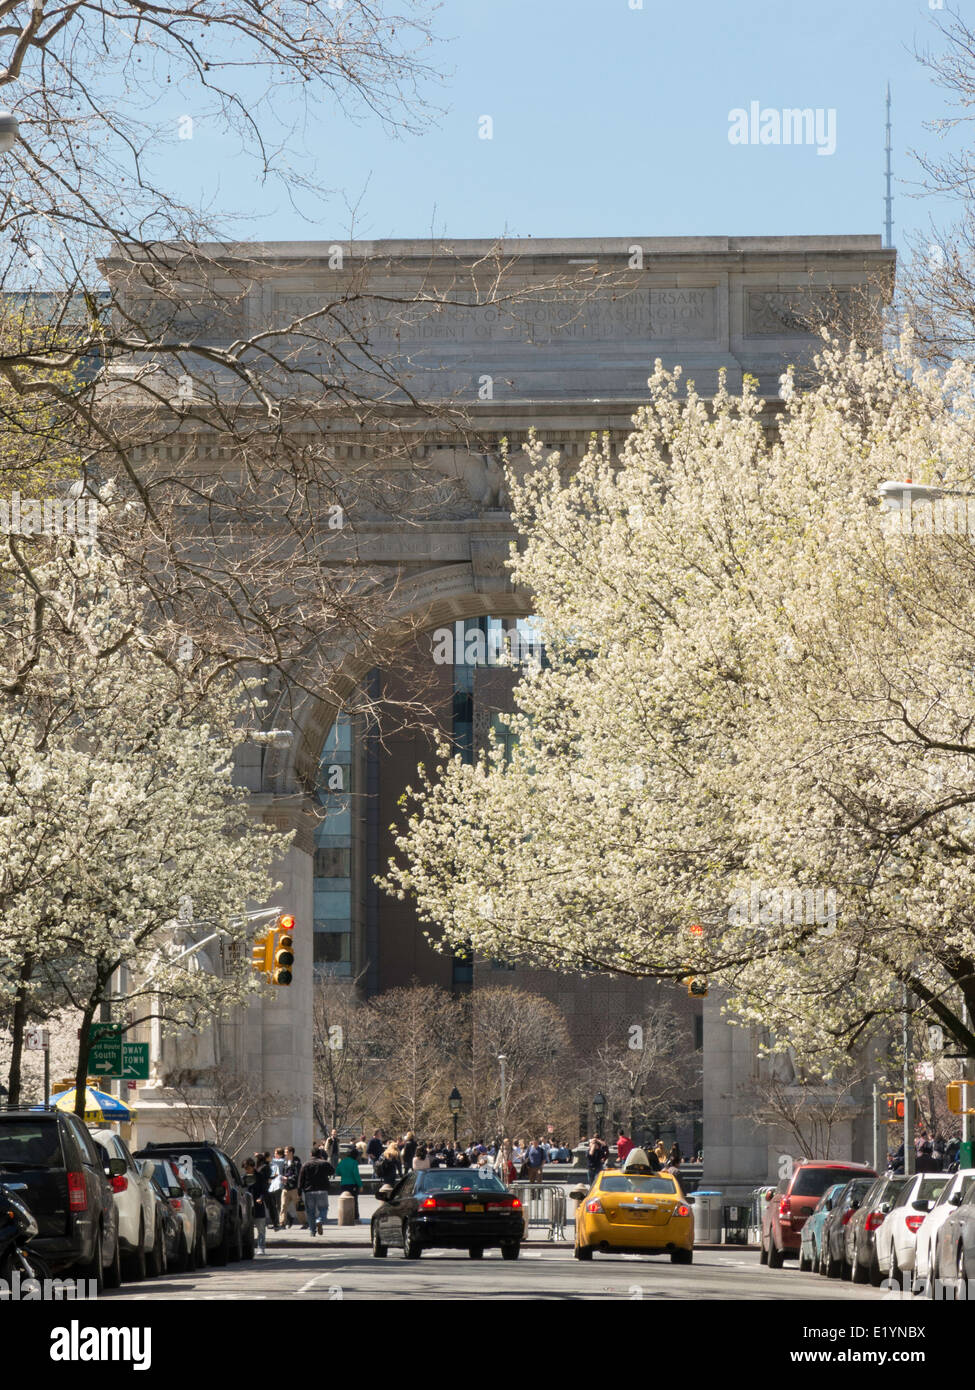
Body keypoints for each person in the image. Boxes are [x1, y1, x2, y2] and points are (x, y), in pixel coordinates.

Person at [298, 1146, 334, 1236]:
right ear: (320, 1154)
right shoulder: (324, 1163)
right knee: (324, 1208)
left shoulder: (306, 1165)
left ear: (311, 1154)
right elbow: (332, 1171)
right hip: (322, 1190)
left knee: (310, 1211)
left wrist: (299, 1193)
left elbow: (301, 1179)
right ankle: (320, 1220)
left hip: (309, 1191)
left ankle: (312, 1231)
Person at [242, 1157, 270, 1254]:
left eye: (248, 1168)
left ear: (253, 1167)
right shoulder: (244, 1178)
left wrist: (261, 1198)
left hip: (258, 1206)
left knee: (261, 1228)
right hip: (247, 1207)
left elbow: (264, 1190)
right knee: (247, 1228)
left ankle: (261, 1246)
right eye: (245, 1169)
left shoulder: (260, 1177)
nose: (247, 1170)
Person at [336, 1145, 363, 1220]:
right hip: (353, 1184)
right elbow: (356, 1175)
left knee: (344, 1200)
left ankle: (344, 1215)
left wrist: (344, 1174)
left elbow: (337, 1172)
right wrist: (360, 1185)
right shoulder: (354, 1162)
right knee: (354, 1201)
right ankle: (355, 1216)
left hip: (343, 1184)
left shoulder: (342, 1161)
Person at [279, 1146, 302, 1228]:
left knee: (298, 1207)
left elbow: (297, 1175)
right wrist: (282, 1178)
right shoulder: (285, 1162)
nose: (285, 1154)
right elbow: (283, 1173)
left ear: (291, 1153)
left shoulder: (296, 1163)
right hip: (286, 1188)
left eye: (286, 1152)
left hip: (294, 1188)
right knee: (283, 1206)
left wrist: (287, 1178)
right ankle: (282, 1223)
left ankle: (304, 1222)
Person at [267, 1146, 286, 1230]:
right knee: (276, 1204)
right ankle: (279, 1221)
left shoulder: (281, 1161)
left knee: (278, 1204)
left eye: (275, 1153)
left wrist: (262, 1156)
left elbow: (272, 1160)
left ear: (280, 1154)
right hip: (273, 1185)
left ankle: (281, 1222)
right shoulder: (276, 1162)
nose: (274, 1155)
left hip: (278, 1185)